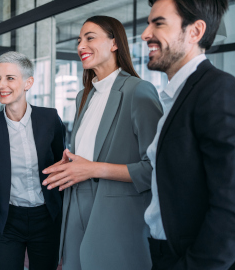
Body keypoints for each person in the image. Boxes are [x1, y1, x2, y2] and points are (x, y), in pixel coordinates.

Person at [42, 16, 163, 270]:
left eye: (90, 38)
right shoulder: (82, 96)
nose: (80, 46)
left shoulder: (138, 91)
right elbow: (88, 154)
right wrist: (71, 165)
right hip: (76, 204)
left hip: (116, 214)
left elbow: (156, 168)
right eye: (79, 40)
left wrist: (92, 168)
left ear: (114, 43)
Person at [141, 0, 235, 269]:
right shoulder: (177, 96)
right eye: (149, 23)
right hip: (165, 252)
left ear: (195, 32)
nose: (146, 34)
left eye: (159, 24)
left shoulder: (218, 91)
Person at [0, 51, 66, 270]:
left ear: (28, 83)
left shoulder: (49, 119)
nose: (1, 85)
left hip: (46, 217)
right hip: (7, 220)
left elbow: (60, 164)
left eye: (10, 78)